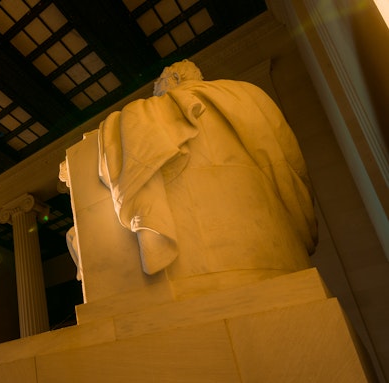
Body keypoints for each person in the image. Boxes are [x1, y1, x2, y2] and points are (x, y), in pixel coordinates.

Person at [97, 60, 317, 279]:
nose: (157, 96)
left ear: (173, 79)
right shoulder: (249, 95)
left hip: (195, 262)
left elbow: (120, 153)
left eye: (159, 88)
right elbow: (291, 160)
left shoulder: (146, 113)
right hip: (281, 251)